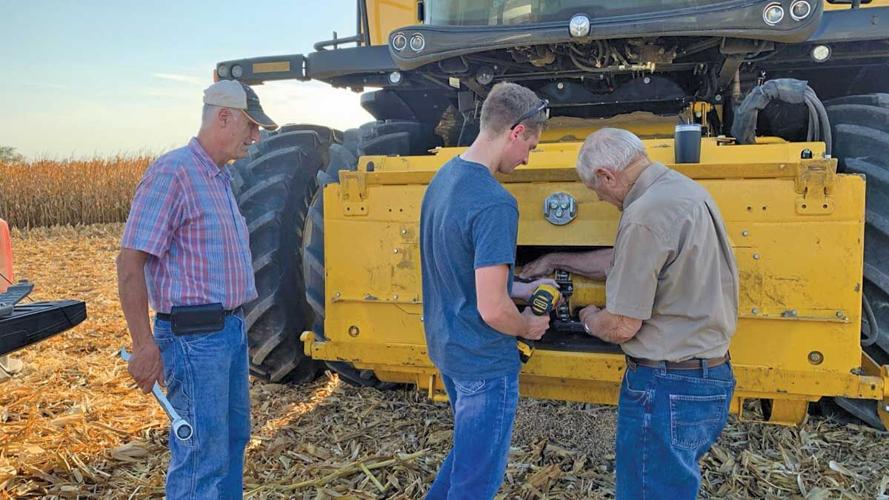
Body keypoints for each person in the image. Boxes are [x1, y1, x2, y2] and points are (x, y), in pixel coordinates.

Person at [521, 128, 739, 499]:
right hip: (706, 376)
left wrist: (588, 317)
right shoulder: (681, 191)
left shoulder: (643, 216)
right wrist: (554, 259)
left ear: (606, 175)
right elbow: (626, 258)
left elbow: (621, 326)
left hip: (666, 386)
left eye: (595, 189)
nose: (599, 197)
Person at [117, 79, 277, 499]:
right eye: (251, 125)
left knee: (231, 443)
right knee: (202, 457)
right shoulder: (174, 173)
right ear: (224, 116)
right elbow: (130, 262)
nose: (255, 136)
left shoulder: (219, 178)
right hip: (194, 340)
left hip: (228, 332)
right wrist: (143, 345)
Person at [420, 82, 553, 500]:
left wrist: (525, 287)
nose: (526, 158)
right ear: (516, 131)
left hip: (448, 346)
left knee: (466, 459)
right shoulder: (495, 202)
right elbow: (494, 309)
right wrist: (527, 327)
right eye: (530, 146)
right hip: (483, 361)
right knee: (477, 482)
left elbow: (461, 269)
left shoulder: (445, 178)